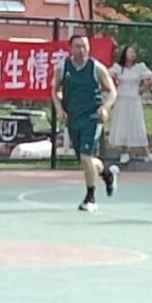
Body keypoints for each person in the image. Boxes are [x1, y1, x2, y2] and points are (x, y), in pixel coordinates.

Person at [53, 31, 118, 213]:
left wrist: (105, 108)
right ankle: (106, 173)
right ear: (70, 48)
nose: (82, 50)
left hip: (92, 118)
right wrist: (59, 108)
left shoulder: (97, 68)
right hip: (73, 117)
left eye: (85, 46)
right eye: (78, 46)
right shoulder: (63, 68)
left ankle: (90, 198)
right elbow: (55, 90)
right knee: (85, 160)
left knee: (85, 156)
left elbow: (112, 91)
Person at [108, 44, 152, 163]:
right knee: (123, 125)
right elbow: (107, 75)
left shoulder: (139, 67)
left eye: (134, 52)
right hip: (122, 99)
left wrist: (142, 89)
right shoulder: (119, 67)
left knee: (138, 125)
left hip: (134, 99)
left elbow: (151, 79)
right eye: (130, 52)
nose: (132, 54)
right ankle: (124, 153)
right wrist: (113, 86)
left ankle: (147, 153)